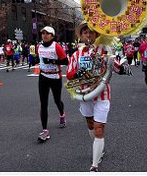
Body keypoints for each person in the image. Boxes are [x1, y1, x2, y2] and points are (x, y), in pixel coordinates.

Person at [66, 21, 112, 172]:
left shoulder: (104, 50)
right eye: (85, 32)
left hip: (102, 94)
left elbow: (115, 66)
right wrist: (77, 74)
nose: (88, 35)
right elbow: (69, 74)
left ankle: (94, 165)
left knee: (99, 129)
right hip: (84, 94)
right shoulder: (77, 54)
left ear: (96, 34)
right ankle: (98, 147)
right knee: (90, 125)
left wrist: (122, 67)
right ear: (81, 36)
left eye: (91, 32)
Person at [36, 26, 68, 142]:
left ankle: (62, 114)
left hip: (55, 77)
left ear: (52, 36)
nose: (44, 35)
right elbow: (38, 59)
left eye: (47, 33)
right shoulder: (39, 46)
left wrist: (51, 61)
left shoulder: (56, 46)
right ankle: (45, 130)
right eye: (43, 33)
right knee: (43, 103)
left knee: (56, 100)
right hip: (43, 76)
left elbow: (65, 61)